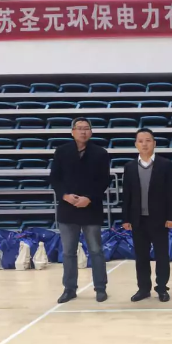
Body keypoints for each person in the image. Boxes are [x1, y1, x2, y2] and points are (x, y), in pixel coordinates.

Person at [50, 117, 110, 304]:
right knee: (68, 252)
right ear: (72, 131)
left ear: (91, 131)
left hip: (91, 208)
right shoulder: (62, 151)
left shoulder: (100, 153)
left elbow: (104, 180)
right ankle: (69, 289)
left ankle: (100, 288)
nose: (83, 131)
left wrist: (89, 198)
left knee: (96, 250)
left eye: (86, 128)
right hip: (68, 208)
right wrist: (65, 195)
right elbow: (55, 178)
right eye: (79, 128)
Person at [121, 128, 172, 303]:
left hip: (160, 219)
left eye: (148, 140)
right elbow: (126, 194)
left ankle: (162, 288)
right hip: (138, 219)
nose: (144, 144)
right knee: (141, 257)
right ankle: (143, 289)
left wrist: (171, 217)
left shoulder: (165, 164)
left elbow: (171, 193)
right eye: (141, 141)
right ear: (136, 144)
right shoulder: (130, 167)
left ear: (154, 143)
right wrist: (126, 218)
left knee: (162, 256)